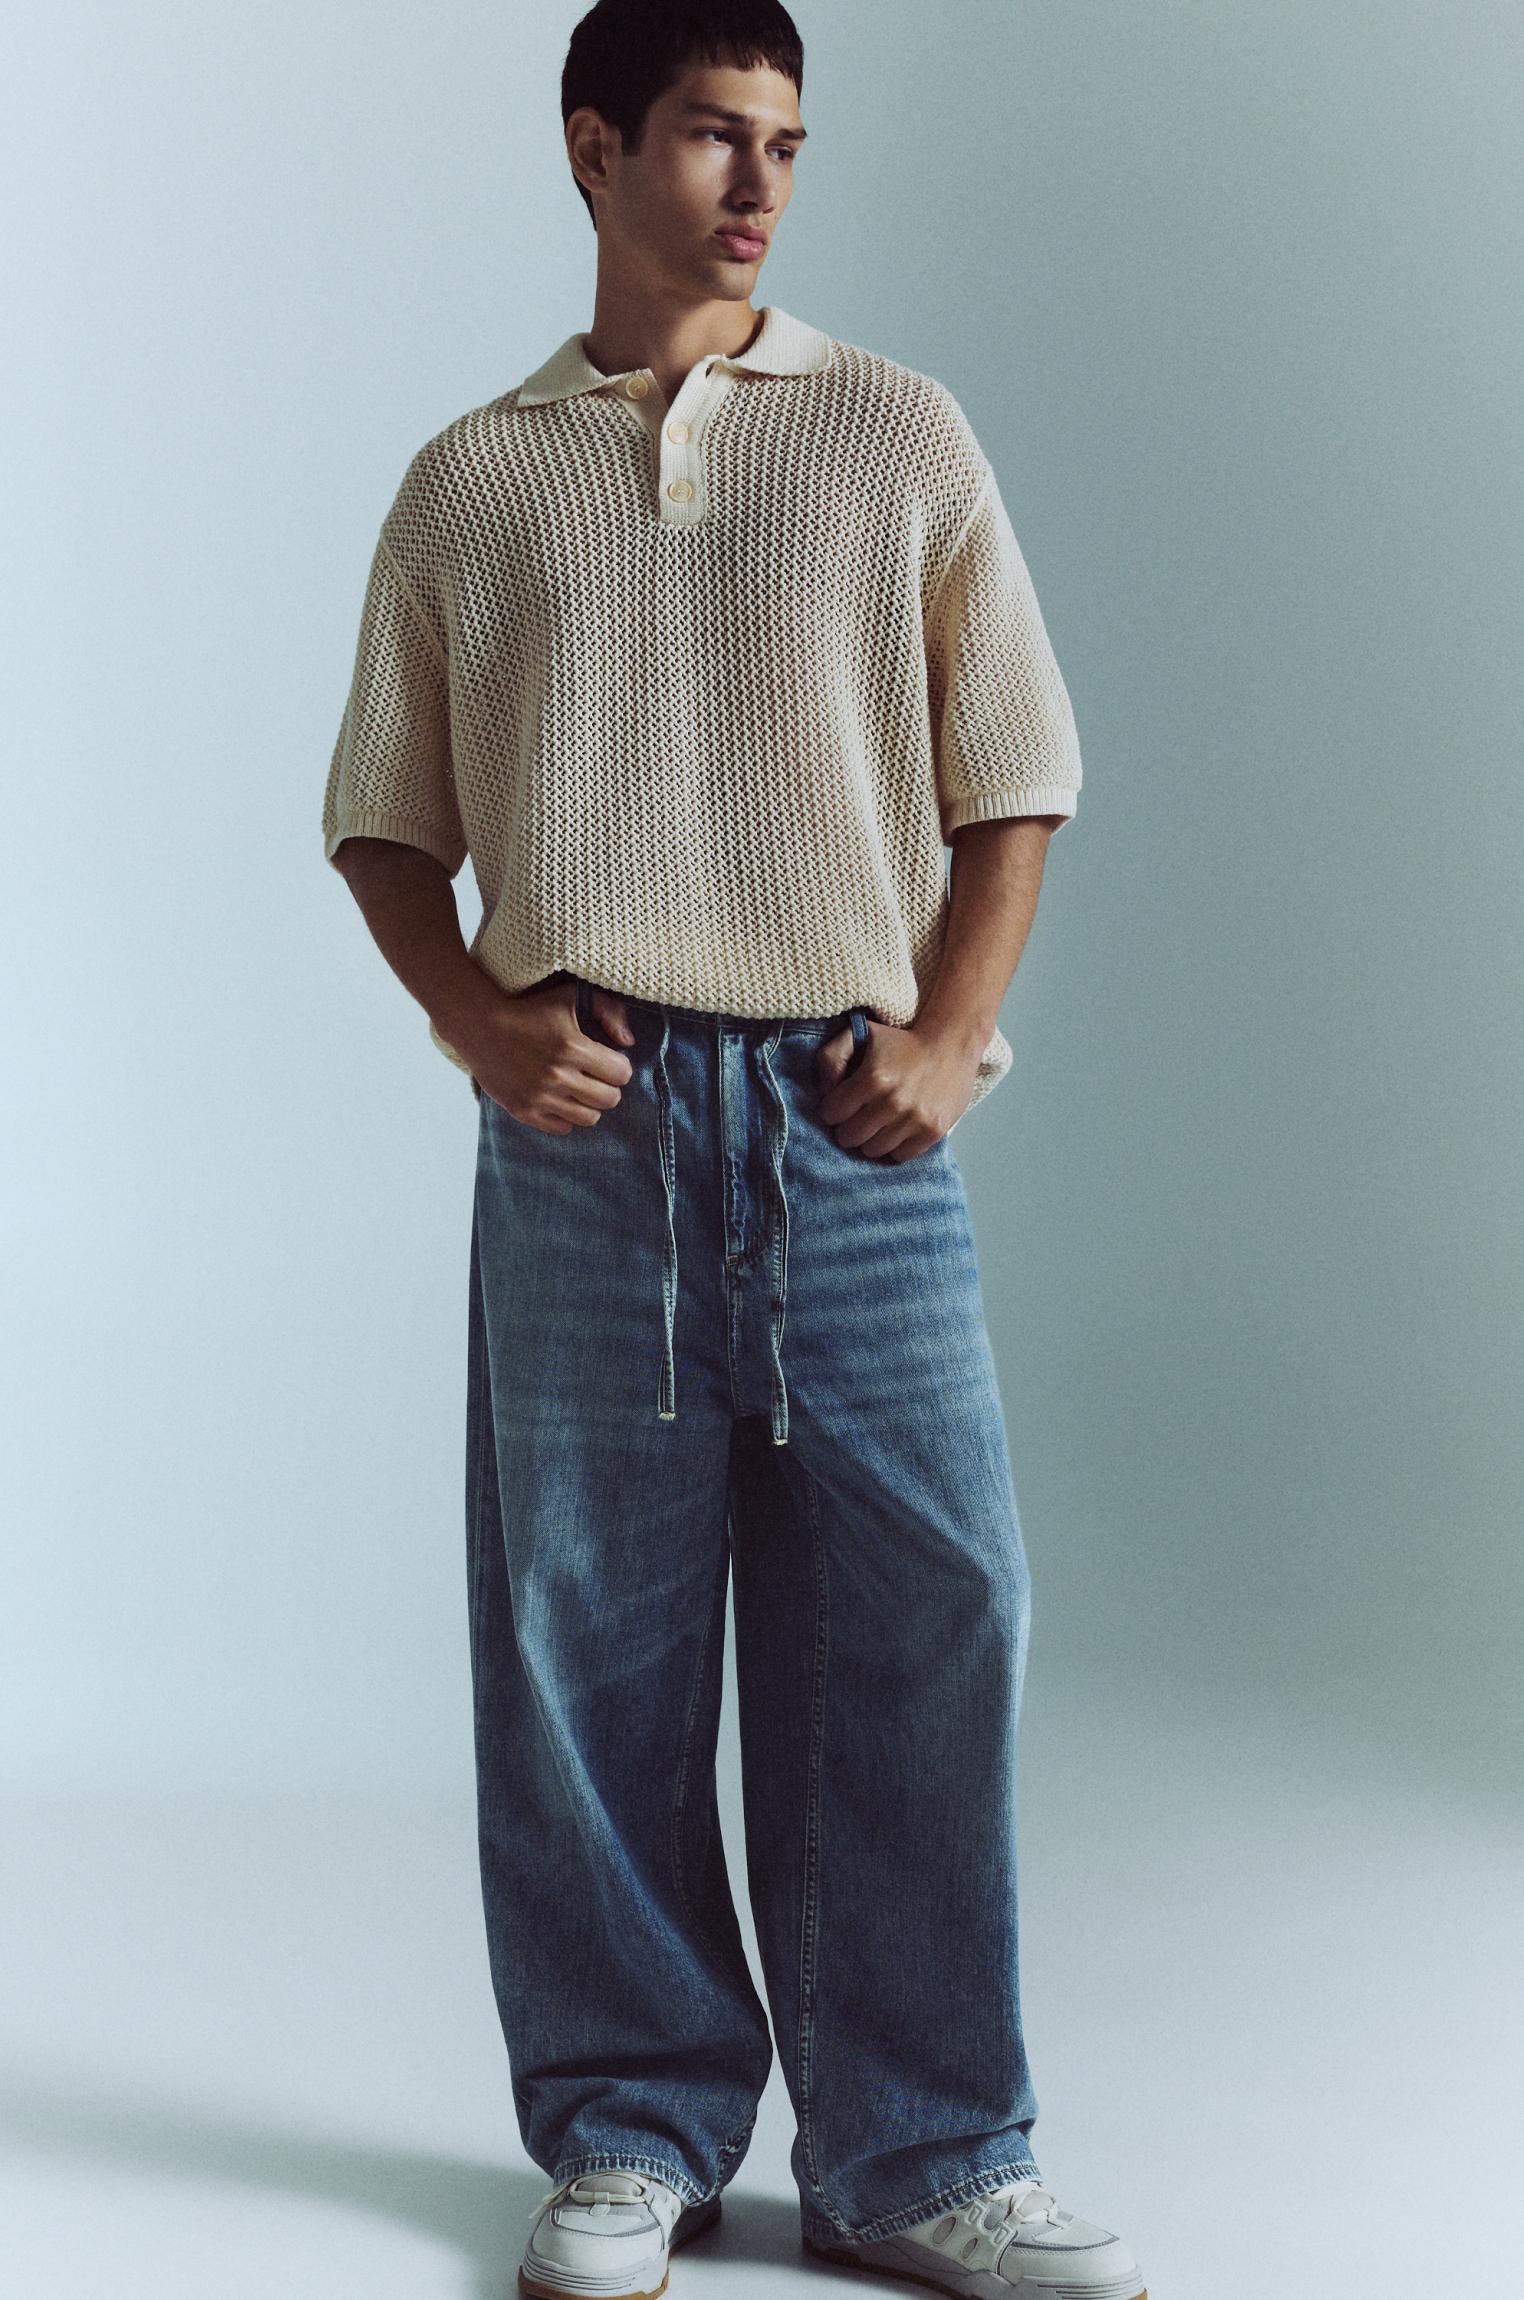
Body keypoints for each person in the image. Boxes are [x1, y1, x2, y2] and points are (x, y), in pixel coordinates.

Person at [322, 4, 1147, 2295]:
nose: (760, 180)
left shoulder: (895, 433)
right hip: (589, 1129)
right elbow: (383, 816)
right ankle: (629, 2126)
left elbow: (1017, 775)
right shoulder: (474, 481)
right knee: (584, 1627)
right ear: (596, 149)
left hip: (849, 1115)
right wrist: (475, 1018)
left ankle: (922, 2149)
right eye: (710, 134)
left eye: (786, 139)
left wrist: (954, 1036)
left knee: (932, 1602)